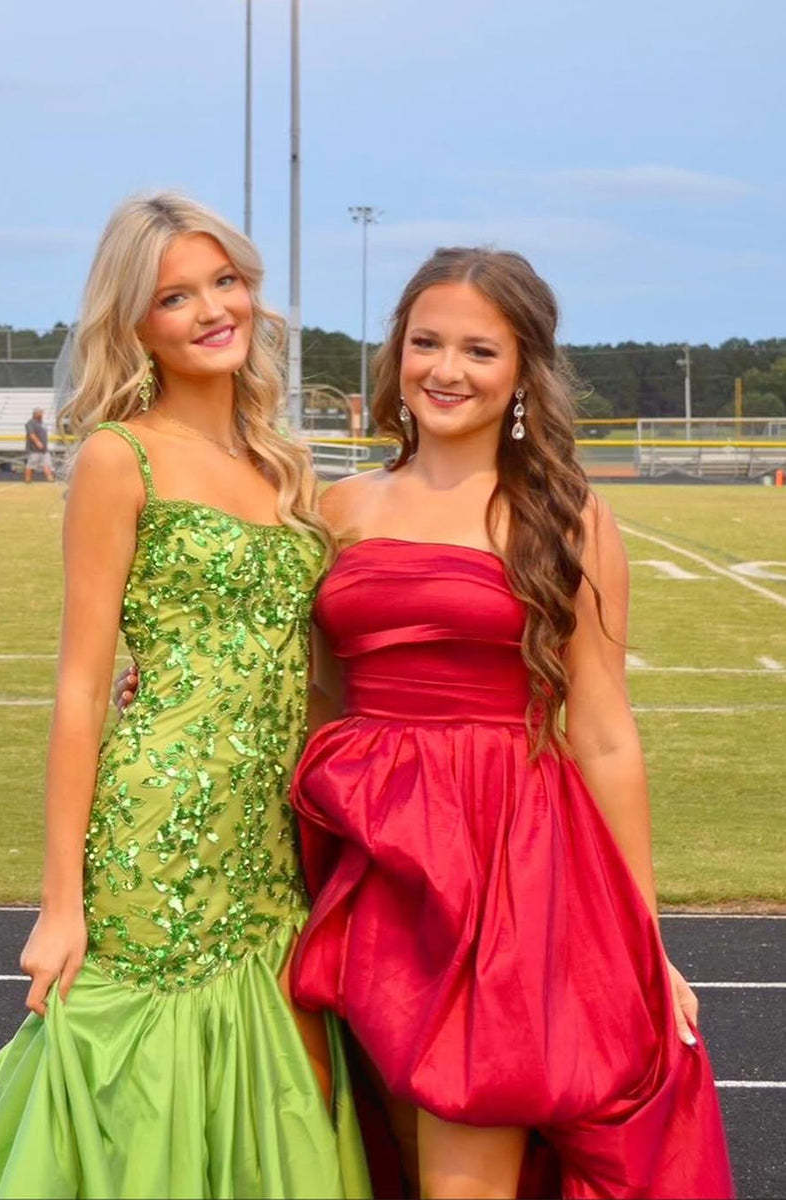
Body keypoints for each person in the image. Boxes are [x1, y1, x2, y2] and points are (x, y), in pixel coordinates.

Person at [0, 193, 370, 1200]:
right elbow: (79, 688)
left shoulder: (282, 464)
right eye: (175, 297)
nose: (212, 310)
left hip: (274, 840)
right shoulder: (121, 456)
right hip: (157, 831)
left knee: (281, 1081)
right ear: (136, 324)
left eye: (224, 282)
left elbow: (322, 669)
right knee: (136, 1092)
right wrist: (60, 906)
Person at [285, 248, 734, 1199]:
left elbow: (604, 733)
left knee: (469, 1160)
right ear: (397, 352)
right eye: (426, 342)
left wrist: (643, 941)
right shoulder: (338, 508)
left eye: (479, 350)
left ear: (524, 370)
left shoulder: (568, 517)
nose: (446, 370)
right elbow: (316, 692)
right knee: (372, 1152)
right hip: (363, 854)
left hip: (502, 860)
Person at [24, 406, 55, 482]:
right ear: (35, 414)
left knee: (47, 464)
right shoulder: (30, 423)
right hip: (34, 449)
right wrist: (37, 442)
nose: (42, 414)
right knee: (31, 465)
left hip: (44, 449)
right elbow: (31, 434)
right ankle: (28, 479)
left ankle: (50, 478)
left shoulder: (42, 423)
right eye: (40, 413)